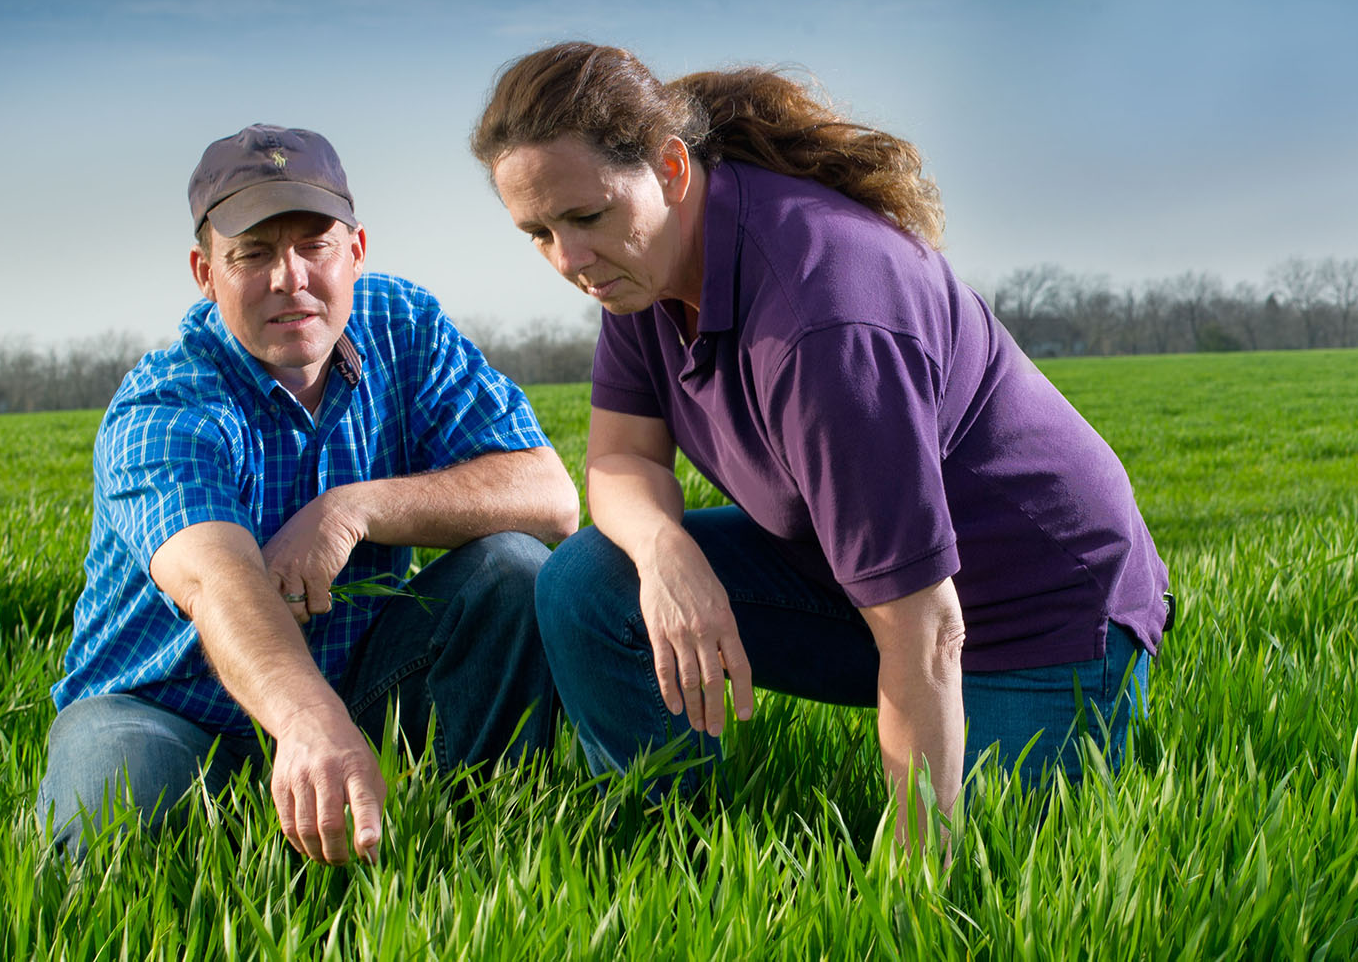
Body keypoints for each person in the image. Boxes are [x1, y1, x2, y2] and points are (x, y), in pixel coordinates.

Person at [470, 44, 1171, 836]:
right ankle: (669, 848)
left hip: (1031, 613)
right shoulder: (639, 271)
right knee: (591, 581)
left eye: (586, 217)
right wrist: (667, 555)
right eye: (538, 231)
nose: (569, 260)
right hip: (862, 581)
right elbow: (621, 459)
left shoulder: (819, 318)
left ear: (670, 168)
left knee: (988, 874)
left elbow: (926, 627)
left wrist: (912, 876)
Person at [38, 124, 580, 864]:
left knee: (514, 570)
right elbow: (220, 581)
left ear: (355, 251)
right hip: (166, 706)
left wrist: (353, 508)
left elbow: (549, 496)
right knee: (104, 839)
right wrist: (307, 721)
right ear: (205, 272)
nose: (288, 277)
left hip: (357, 676)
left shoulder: (403, 328)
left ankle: (473, 845)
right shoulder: (166, 406)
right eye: (252, 253)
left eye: (313, 245)